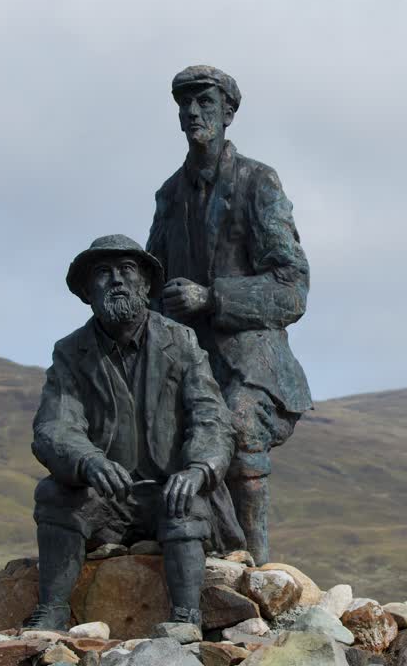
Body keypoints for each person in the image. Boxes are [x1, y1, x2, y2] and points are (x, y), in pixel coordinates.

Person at [25, 234, 239, 630]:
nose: (117, 281)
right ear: (88, 292)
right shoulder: (71, 352)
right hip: (108, 497)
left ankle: (186, 617)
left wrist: (197, 470)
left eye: (127, 271)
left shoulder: (182, 342)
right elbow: (54, 425)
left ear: (145, 285)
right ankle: (52, 610)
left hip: (168, 489)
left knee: (186, 502)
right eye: (103, 274)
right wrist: (87, 461)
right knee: (54, 494)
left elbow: (211, 417)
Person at [146, 65, 312, 566]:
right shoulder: (169, 196)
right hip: (188, 361)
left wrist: (213, 298)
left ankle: (257, 569)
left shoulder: (258, 183)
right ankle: (188, 557)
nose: (193, 113)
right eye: (185, 104)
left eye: (206, 103)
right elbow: (153, 281)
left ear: (229, 113)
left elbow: (292, 287)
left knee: (237, 426)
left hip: (252, 362)